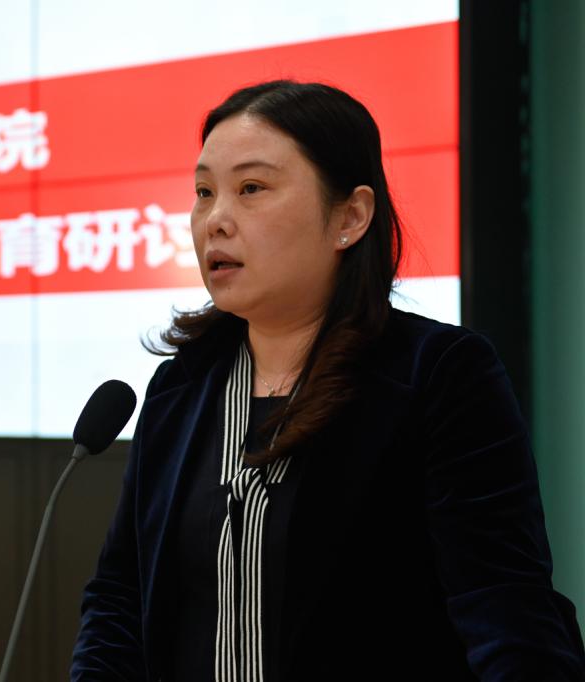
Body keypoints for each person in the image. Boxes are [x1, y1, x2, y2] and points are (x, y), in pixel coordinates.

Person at [70, 81, 585, 681]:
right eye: (204, 192)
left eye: (251, 189)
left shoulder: (438, 374)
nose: (215, 220)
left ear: (350, 217)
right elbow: (120, 597)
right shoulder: (180, 388)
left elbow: (504, 605)